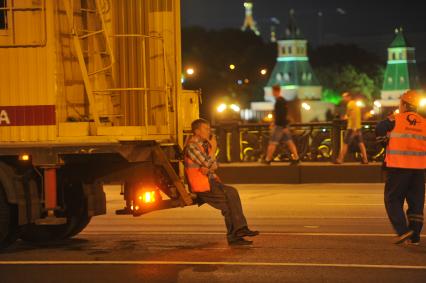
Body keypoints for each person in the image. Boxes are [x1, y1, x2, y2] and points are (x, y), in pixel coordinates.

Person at [184, 118, 259, 246]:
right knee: (228, 205)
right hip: (203, 186)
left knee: (232, 193)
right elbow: (209, 162)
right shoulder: (192, 147)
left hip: (211, 181)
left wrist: (208, 165)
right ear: (197, 131)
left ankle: (238, 231)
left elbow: (214, 166)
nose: (209, 131)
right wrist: (213, 151)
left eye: (209, 128)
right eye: (206, 129)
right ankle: (237, 233)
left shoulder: (203, 146)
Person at [375, 90, 425, 245]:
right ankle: (415, 235)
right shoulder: (424, 122)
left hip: (398, 166)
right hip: (419, 169)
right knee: (416, 202)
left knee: (392, 199)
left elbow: (380, 127)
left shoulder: (395, 119)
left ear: (404, 104)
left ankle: (403, 231)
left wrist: (383, 141)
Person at [263, 84, 300, 165]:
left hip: (280, 126)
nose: (272, 93)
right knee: (289, 142)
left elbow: (281, 114)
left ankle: (268, 159)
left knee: (272, 142)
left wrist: (278, 124)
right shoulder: (282, 101)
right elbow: (284, 114)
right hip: (283, 125)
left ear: (276, 91)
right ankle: (296, 158)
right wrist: (284, 126)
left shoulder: (279, 101)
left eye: (273, 91)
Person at [334, 92, 369, 164]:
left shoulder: (350, 104)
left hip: (352, 127)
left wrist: (353, 128)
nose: (343, 98)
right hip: (358, 127)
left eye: (344, 97)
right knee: (361, 143)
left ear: (349, 97)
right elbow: (355, 116)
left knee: (345, 143)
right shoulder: (356, 105)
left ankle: (340, 159)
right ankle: (365, 159)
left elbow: (351, 117)